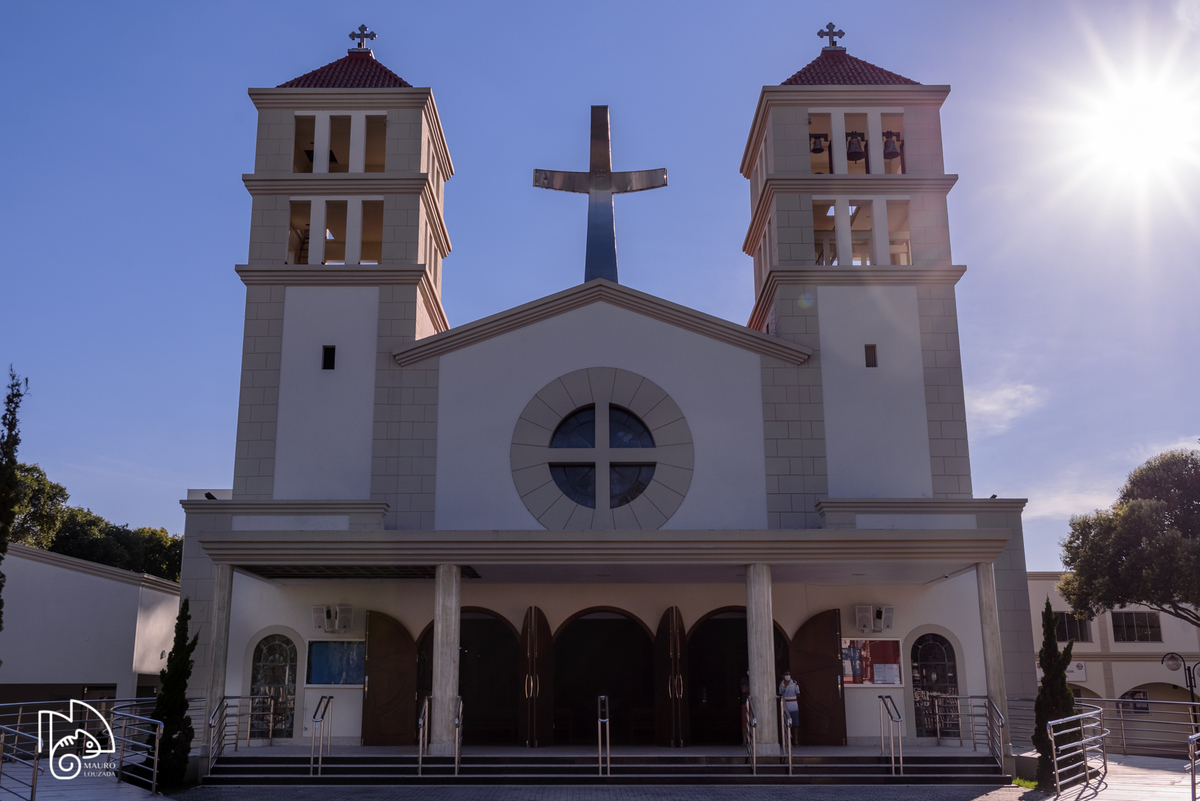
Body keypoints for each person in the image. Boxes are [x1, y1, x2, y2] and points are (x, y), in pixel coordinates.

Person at [778, 671, 800, 746]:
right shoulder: (781, 684)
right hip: (785, 707)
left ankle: (796, 741)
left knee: (795, 724)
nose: (787, 676)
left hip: (794, 706)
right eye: (786, 674)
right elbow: (780, 693)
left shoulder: (794, 683)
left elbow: (798, 693)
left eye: (788, 674)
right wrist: (785, 685)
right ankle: (787, 741)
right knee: (785, 724)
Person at [738, 675, 751, 746]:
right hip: (744, 703)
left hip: (752, 704)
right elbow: (743, 690)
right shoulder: (744, 679)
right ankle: (745, 740)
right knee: (744, 723)